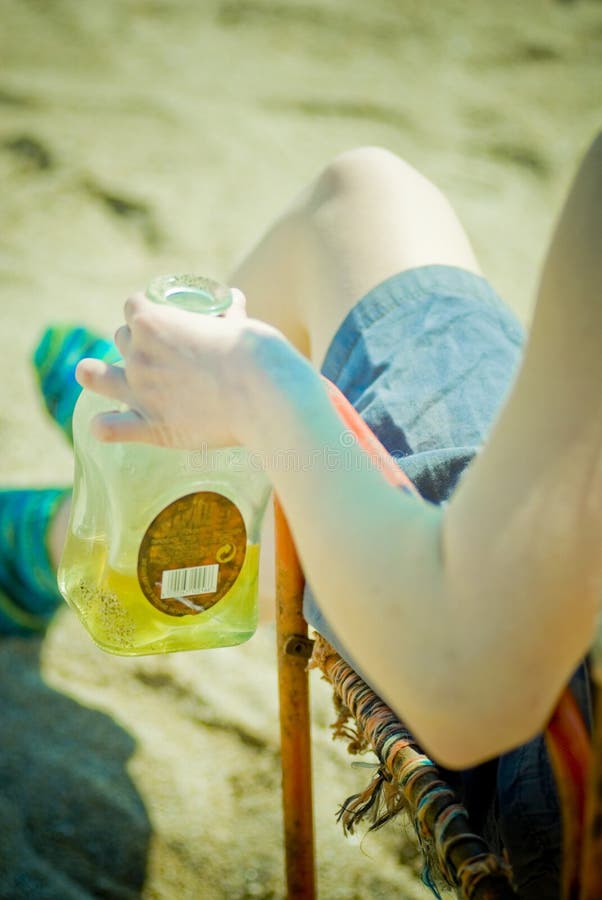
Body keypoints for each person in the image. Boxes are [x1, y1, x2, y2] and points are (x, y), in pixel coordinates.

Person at [2, 133, 600, 898]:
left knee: (357, 202)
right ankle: (138, 463)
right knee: (369, 199)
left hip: (552, 798)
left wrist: (255, 380)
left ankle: (95, 507)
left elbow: (465, 682)